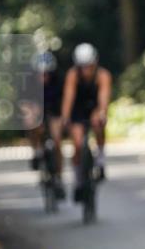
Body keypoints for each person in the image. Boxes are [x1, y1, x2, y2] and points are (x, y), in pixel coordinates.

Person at [60, 43, 112, 202]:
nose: (85, 70)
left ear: (94, 62)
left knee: (99, 123)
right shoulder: (72, 75)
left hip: (94, 107)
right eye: (82, 66)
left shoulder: (103, 75)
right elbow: (68, 97)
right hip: (78, 109)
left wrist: (101, 113)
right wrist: (65, 117)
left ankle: (100, 160)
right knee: (77, 144)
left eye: (88, 66)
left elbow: (103, 98)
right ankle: (78, 182)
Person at [25, 51, 66, 199]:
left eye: (46, 74)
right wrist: (31, 112)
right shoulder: (29, 81)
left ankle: (59, 177)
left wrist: (63, 118)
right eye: (41, 74)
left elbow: (66, 100)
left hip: (55, 110)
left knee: (57, 140)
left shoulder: (60, 80)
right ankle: (36, 150)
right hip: (36, 108)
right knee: (32, 123)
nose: (44, 77)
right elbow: (24, 103)